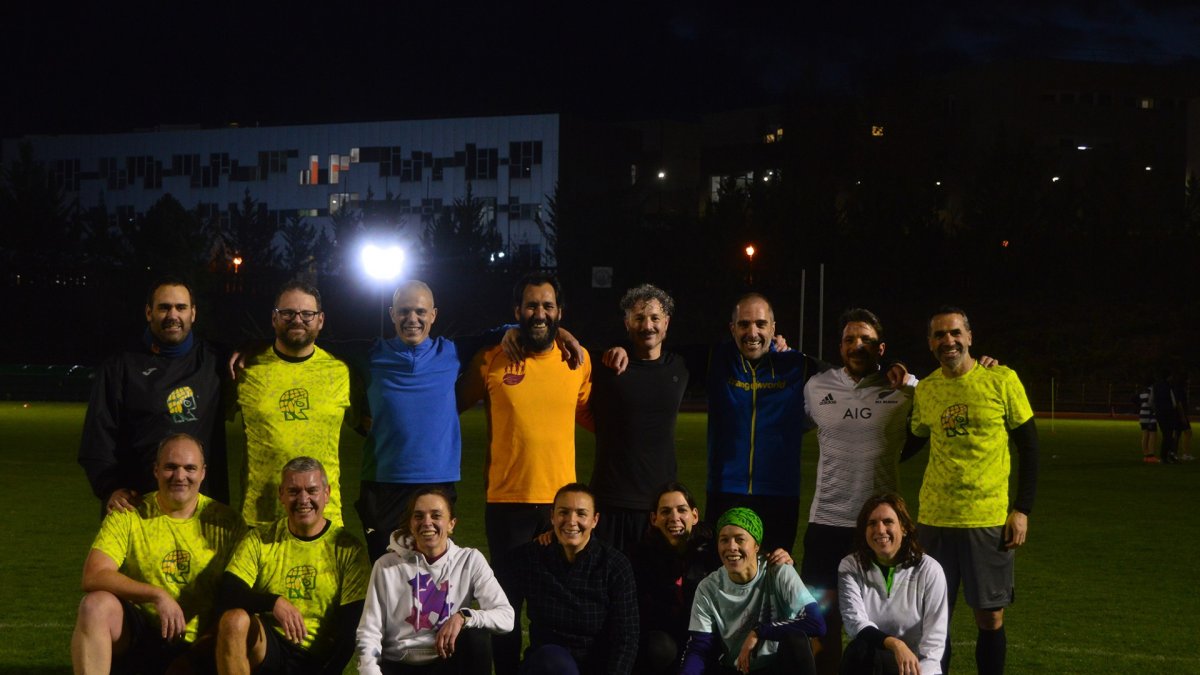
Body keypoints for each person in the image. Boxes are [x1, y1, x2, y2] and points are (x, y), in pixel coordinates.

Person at [356, 280, 581, 562]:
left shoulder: (451, 351)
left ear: (433, 315)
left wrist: (558, 333)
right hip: (382, 484)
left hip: (437, 482)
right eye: (404, 311)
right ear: (391, 313)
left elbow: (525, 327)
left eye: (420, 312)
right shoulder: (369, 353)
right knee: (384, 571)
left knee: (433, 573)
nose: (412, 319)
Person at [456, 273, 592, 675]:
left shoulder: (577, 362)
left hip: (561, 508)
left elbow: (596, 415)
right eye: (531, 305)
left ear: (559, 313)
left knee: (556, 605)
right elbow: (448, 406)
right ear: (517, 312)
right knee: (507, 606)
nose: (539, 313)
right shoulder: (491, 359)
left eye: (548, 306)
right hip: (507, 504)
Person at [910, 307, 1038, 675]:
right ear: (930, 343)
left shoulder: (1002, 380)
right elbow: (910, 441)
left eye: (954, 333)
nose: (947, 341)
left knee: (990, 617)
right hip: (934, 519)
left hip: (987, 519)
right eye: (939, 335)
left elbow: (1029, 447)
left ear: (969, 336)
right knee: (934, 620)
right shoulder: (928, 389)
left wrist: (1022, 509)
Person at [801, 308, 922, 674]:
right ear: (839, 347)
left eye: (866, 340)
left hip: (880, 531)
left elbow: (921, 432)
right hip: (826, 525)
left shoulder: (905, 391)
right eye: (850, 339)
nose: (857, 345)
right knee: (822, 625)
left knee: (889, 625)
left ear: (881, 348)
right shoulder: (816, 387)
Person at [71, 433, 245, 675]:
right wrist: (156, 595)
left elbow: (239, 596)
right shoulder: (129, 513)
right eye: (171, 467)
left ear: (203, 472)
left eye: (190, 468)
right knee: (95, 606)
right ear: (156, 470)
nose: (180, 476)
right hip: (142, 636)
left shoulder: (227, 522)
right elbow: (93, 575)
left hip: (201, 645)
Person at [79, 277, 230, 515]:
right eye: (164, 307)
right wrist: (110, 488)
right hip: (138, 507)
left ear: (193, 313)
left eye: (180, 307)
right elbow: (97, 440)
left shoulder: (217, 361)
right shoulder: (120, 367)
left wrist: (251, 347)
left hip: (202, 513)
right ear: (149, 313)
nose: (173, 315)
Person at [216, 456, 369, 675]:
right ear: (281, 495)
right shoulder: (260, 539)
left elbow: (351, 627)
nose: (303, 499)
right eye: (294, 491)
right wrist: (274, 602)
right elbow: (227, 594)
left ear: (327, 494)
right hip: (269, 647)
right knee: (234, 620)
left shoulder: (348, 549)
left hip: (316, 657)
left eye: (312, 490)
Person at [705, 293, 831, 553]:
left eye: (761, 324)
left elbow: (849, 375)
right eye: (744, 324)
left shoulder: (796, 365)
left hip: (780, 493)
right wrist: (620, 350)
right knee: (724, 574)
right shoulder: (716, 359)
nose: (752, 332)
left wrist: (890, 369)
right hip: (725, 490)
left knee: (775, 574)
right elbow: (660, 356)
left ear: (773, 329)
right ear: (732, 328)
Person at [233, 281, 354, 528]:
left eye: (307, 314)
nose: (297, 319)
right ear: (274, 318)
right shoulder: (245, 369)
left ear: (320, 320)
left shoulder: (341, 371)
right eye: (287, 313)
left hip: (325, 518)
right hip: (261, 518)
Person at [356, 486, 514, 674]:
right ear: (410, 523)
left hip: (446, 661)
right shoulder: (386, 565)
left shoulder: (470, 560)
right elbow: (369, 631)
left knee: (475, 635)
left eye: (436, 515)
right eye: (419, 516)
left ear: (451, 524)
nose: (427, 523)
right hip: (400, 665)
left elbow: (506, 617)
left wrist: (464, 617)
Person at [589, 284, 689, 550]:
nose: (648, 326)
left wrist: (778, 345)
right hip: (610, 502)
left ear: (666, 323)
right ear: (627, 323)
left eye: (655, 318)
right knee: (607, 587)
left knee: (654, 588)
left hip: (659, 507)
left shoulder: (681, 366)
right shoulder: (606, 367)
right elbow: (564, 344)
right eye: (639, 318)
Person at [507, 483, 637, 675]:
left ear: (595, 520)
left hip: (596, 666)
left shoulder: (615, 565)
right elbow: (501, 612)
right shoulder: (531, 557)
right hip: (547, 665)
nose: (571, 521)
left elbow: (627, 637)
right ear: (552, 516)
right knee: (552, 660)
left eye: (581, 514)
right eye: (563, 512)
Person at [680, 507, 825, 675]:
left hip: (777, 666)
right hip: (736, 668)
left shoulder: (779, 571)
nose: (731, 546)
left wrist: (758, 631)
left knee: (797, 641)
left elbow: (816, 623)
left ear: (757, 545)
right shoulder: (708, 587)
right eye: (724, 540)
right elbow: (699, 647)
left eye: (740, 539)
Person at [838, 493, 948, 675]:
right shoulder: (851, 566)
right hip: (873, 659)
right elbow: (855, 624)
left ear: (904, 528)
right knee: (859, 650)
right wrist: (896, 644)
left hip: (915, 668)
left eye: (888, 522)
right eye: (872, 523)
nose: (880, 530)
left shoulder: (930, 570)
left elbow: (933, 646)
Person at [1134, 382, 1159, 464]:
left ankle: (1146, 455)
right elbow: (1152, 403)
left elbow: (1134, 399)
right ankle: (1151, 455)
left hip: (1142, 414)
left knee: (1145, 434)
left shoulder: (1142, 391)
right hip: (1150, 415)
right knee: (1152, 434)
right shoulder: (1152, 390)